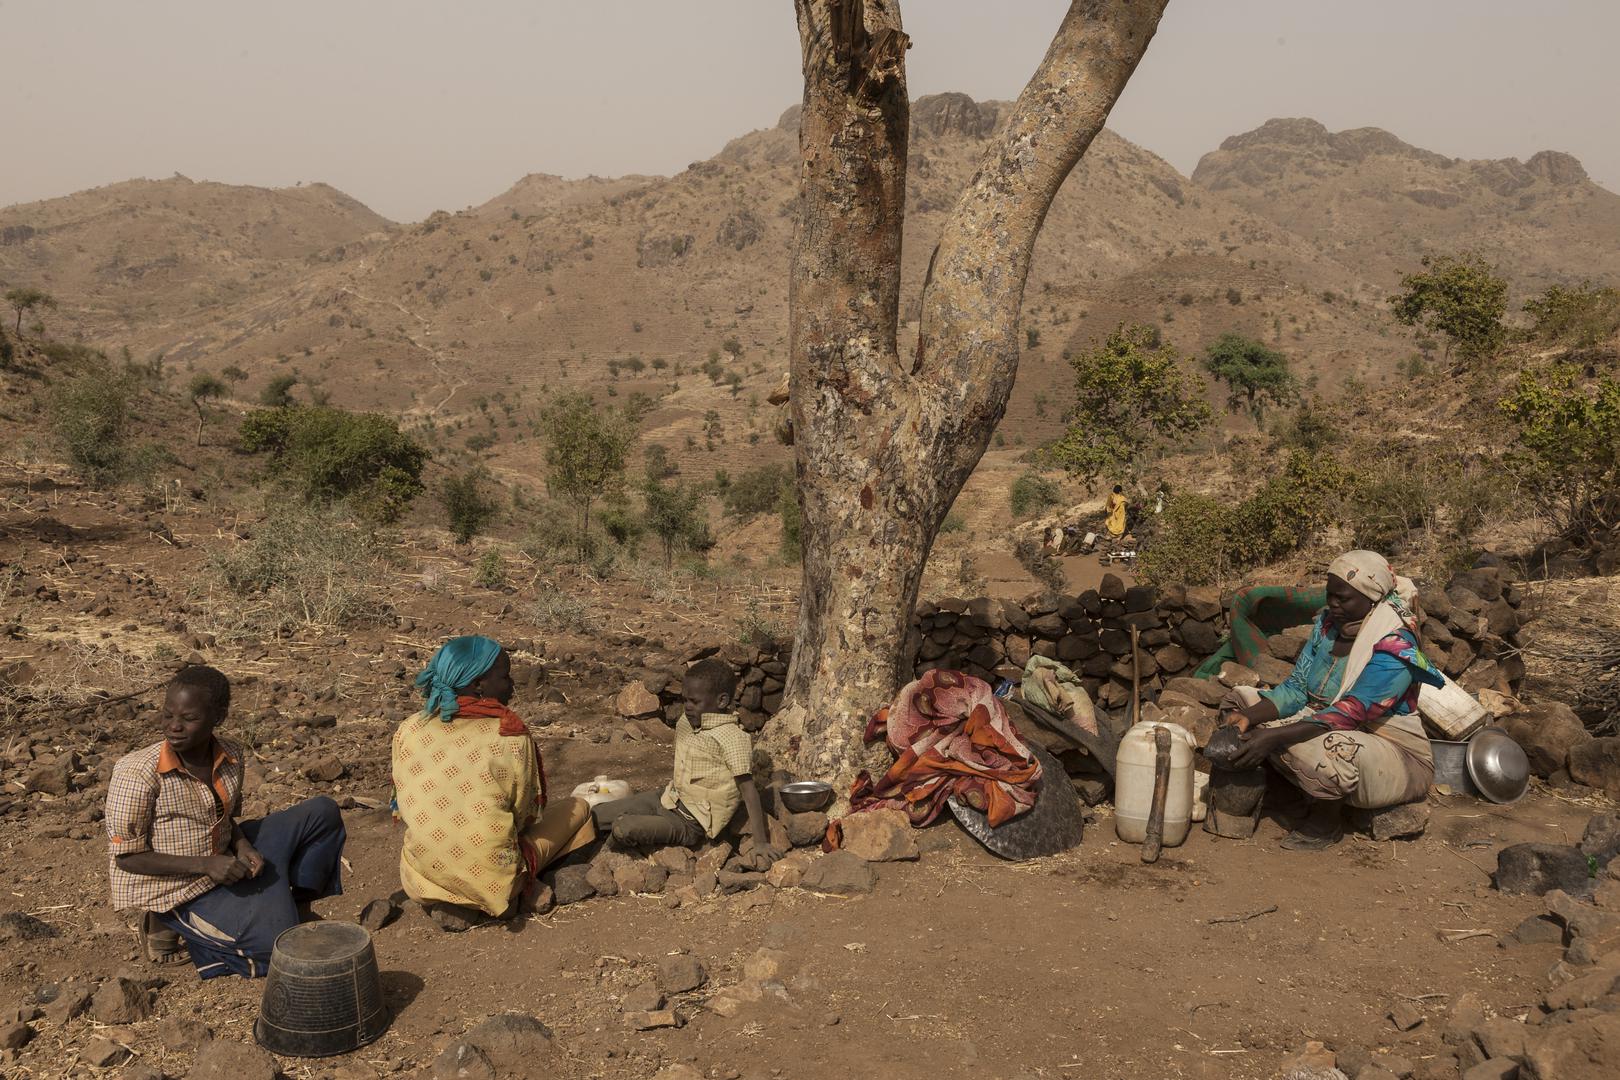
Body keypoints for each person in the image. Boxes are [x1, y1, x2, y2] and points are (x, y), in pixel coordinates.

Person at [105, 665, 345, 978]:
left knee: (322, 812)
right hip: (179, 887)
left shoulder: (231, 754)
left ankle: (292, 907)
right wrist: (206, 864)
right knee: (281, 950)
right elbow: (126, 858)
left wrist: (243, 845)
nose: (174, 726)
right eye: (167, 715)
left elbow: (225, 817)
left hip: (224, 861)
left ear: (218, 718)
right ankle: (167, 921)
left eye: (189, 718)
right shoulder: (136, 773)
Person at [1218, 550, 1445, 851]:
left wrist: (1272, 736)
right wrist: (1249, 718)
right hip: (1327, 722)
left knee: (1328, 748)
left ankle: (1325, 823)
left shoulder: (1396, 646)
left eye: (1343, 598)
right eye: (1330, 595)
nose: (1333, 604)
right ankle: (1288, 793)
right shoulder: (1327, 627)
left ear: (1371, 597)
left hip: (1394, 755)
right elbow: (1296, 688)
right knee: (1242, 701)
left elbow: (1351, 714)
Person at [392, 636, 595, 930]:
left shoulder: (409, 729)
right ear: (478, 685)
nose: (512, 685)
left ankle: (447, 894)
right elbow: (525, 816)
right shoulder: (509, 735)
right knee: (579, 807)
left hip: (421, 879)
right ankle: (508, 892)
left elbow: (403, 801)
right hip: (494, 883)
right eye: (505, 676)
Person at [592, 658, 782, 870]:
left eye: (694, 702)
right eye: (685, 701)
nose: (688, 707)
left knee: (623, 828)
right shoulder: (686, 722)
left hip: (690, 824)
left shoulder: (733, 739)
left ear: (722, 701)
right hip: (667, 798)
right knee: (597, 814)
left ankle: (597, 860)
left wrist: (760, 843)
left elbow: (748, 791)